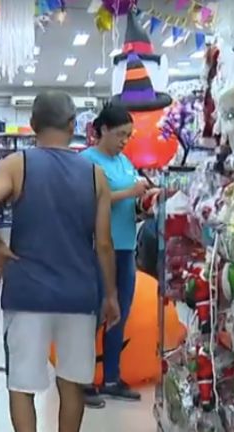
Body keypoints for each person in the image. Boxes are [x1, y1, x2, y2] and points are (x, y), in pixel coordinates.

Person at [0, 91, 121, 432]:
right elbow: (105, 244)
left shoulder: (18, 164)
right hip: (78, 294)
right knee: (72, 383)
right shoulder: (95, 175)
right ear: (74, 124)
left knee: (22, 383)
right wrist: (110, 295)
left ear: (34, 125)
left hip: (28, 292)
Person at [80, 103, 158, 402]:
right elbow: (89, 201)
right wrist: (130, 193)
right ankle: (84, 380)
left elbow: (131, 202)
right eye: (120, 134)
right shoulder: (87, 161)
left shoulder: (125, 162)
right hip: (98, 248)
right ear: (101, 131)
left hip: (126, 247)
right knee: (93, 315)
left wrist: (145, 201)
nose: (125, 141)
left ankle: (112, 377)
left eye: (129, 135)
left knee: (119, 314)